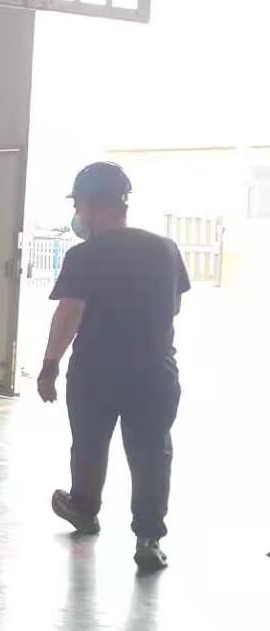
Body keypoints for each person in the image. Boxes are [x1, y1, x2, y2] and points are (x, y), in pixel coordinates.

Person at [38, 161, 188, 572]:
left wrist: (49, 365)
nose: (78, 213)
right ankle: (149, 538)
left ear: (91, 204)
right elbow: (173, 307)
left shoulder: (85, 255)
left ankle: (84, 510)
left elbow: (69, 314)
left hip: (96, 372)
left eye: (78, 204)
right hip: (154, 372)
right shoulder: (166, 250)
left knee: (89, 444)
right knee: (151, 452)